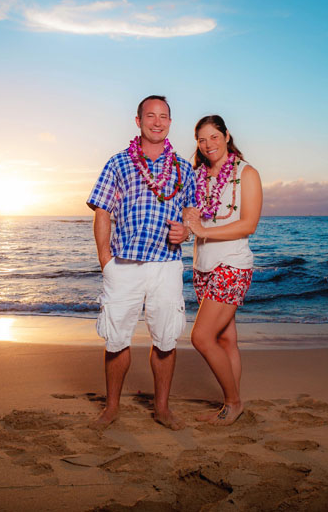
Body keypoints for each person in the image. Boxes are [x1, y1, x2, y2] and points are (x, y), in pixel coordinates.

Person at [86, 95, 196, 431]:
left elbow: (191, 211)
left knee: (165, 338)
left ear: (170, 123)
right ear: (138, 120)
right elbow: (102, 211)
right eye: (151, 115)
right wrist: (106, 260)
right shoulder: (119, 163)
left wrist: (187, 229)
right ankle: (111, 408)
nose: (157, 121)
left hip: (166, 264)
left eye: (164, 116)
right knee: (116, 338)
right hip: (125, 264)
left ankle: (162, 409)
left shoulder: (183, 169)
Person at [182, 115, 262, 426]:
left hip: (232, 264)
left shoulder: (247, 173)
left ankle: (233, 402)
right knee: (226, 339)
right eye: (201, 140)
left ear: (227, 136)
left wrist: (203, 231)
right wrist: (188, 225)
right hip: (202, 267)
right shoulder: (196, 176)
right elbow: (192, 220)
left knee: (201, 337)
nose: (208, 144)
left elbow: (248, 224)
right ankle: (232, 404)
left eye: (214, 137)